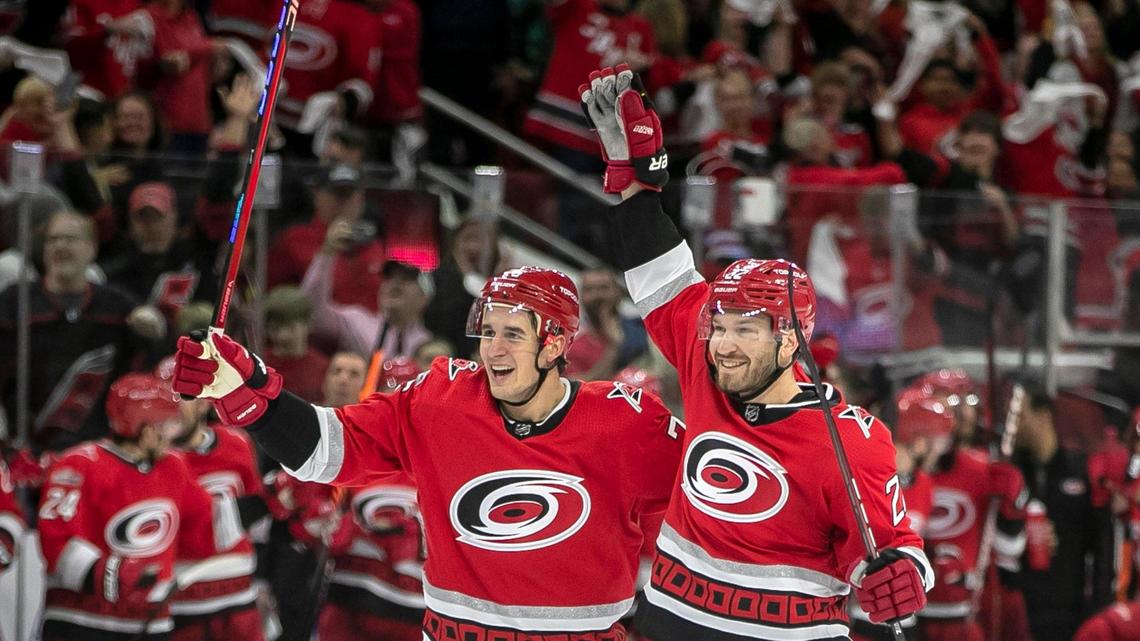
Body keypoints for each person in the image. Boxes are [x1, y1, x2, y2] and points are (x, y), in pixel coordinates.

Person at [579, 64, 932, 641]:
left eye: (745, 331)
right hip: (671, 620)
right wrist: (636, 182)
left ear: (790, 340)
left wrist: (904, 576)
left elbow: (889, 548)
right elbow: (664, 279)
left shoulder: (851, 440)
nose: (722, 344)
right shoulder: (709, 358)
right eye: (719, 327)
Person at [171, 266, 682, 640]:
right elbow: (325, 450)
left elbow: (716, 490)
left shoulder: (626, 421)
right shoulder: (442, 399)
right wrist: (249, 392)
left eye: (512, 335)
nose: (492, 349)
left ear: (553, 346)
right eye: (488, 331)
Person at [36, 372, 226, 641]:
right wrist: (110, 573)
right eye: (167, 424)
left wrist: (271, 501)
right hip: (80, 622)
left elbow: (207, 527)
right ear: (147, 431)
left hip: (149, 623)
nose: (173, 433)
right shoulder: (79, 464)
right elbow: (55, 538)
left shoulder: (174, 466)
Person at [0, 210, 165, 452]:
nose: (61, 246)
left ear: (92, 248)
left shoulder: (118, 305)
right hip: (27, 449)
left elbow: (146, 369)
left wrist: (154, 332)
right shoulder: (16, 301)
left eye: (70, 238)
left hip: (101, 449)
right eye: (53, 239)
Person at [157, 358, 267, 641]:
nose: (174, 406)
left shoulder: (237, 443)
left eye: (182, 396)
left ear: (205, 402)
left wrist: (265, 582)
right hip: (180, 607)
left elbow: (259, 521)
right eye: (165, 396)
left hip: (239, 600)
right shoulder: (153, 461)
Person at [1012, 385, 1115, 641]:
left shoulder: (1081, 470)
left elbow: (1103, 545)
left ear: (1044, 414)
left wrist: (1099, 608)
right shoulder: (1011, 473)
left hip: (1070, 610)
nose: (1013, 424)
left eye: (1019, 415)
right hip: (1021, 609)